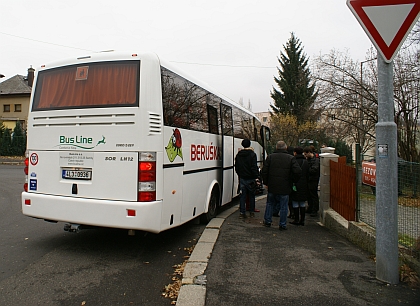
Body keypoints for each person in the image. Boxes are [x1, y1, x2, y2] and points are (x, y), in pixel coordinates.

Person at [262, 141, 301, 230]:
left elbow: (265, 171)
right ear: (285, 148)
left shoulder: (270, 157)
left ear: (276, 147)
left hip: (272, 185)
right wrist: (293, 181)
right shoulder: (291, 158)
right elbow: (297, 171)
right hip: (285, 185)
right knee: (284, 206)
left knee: (270, 203)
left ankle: (267, 221)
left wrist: (266, 182)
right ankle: (282, 224)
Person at [235, 139, 259, 219]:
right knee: (252, 195)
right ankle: (251, 212)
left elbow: (237, 167)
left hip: (242, 178)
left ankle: (242, 212)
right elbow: (253, 167)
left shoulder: (239, 155)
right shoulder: (252, 154)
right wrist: (256, 177)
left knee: (242, 196)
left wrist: (240, 174)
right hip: (251, 178)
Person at [290, 147, 309, 226]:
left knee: (295, 202)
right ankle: (302, 220)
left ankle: (296, 219)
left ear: (295, 153)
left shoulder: (293, 161)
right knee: (302, 202)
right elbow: (308, 174)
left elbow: (291, 172)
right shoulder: (306, 162)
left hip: (295, 183)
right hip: (304, 184)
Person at [303, 146, 320, 217]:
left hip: (313, 180)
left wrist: (307, 170)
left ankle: (314, 209)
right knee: (309, 195)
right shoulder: (309, 160)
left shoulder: (315, 161)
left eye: (306, 154)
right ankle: (310, 207)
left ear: (310, 153)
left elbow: (314, 170)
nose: (305, 156)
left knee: (313, 195)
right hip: (309, 179)